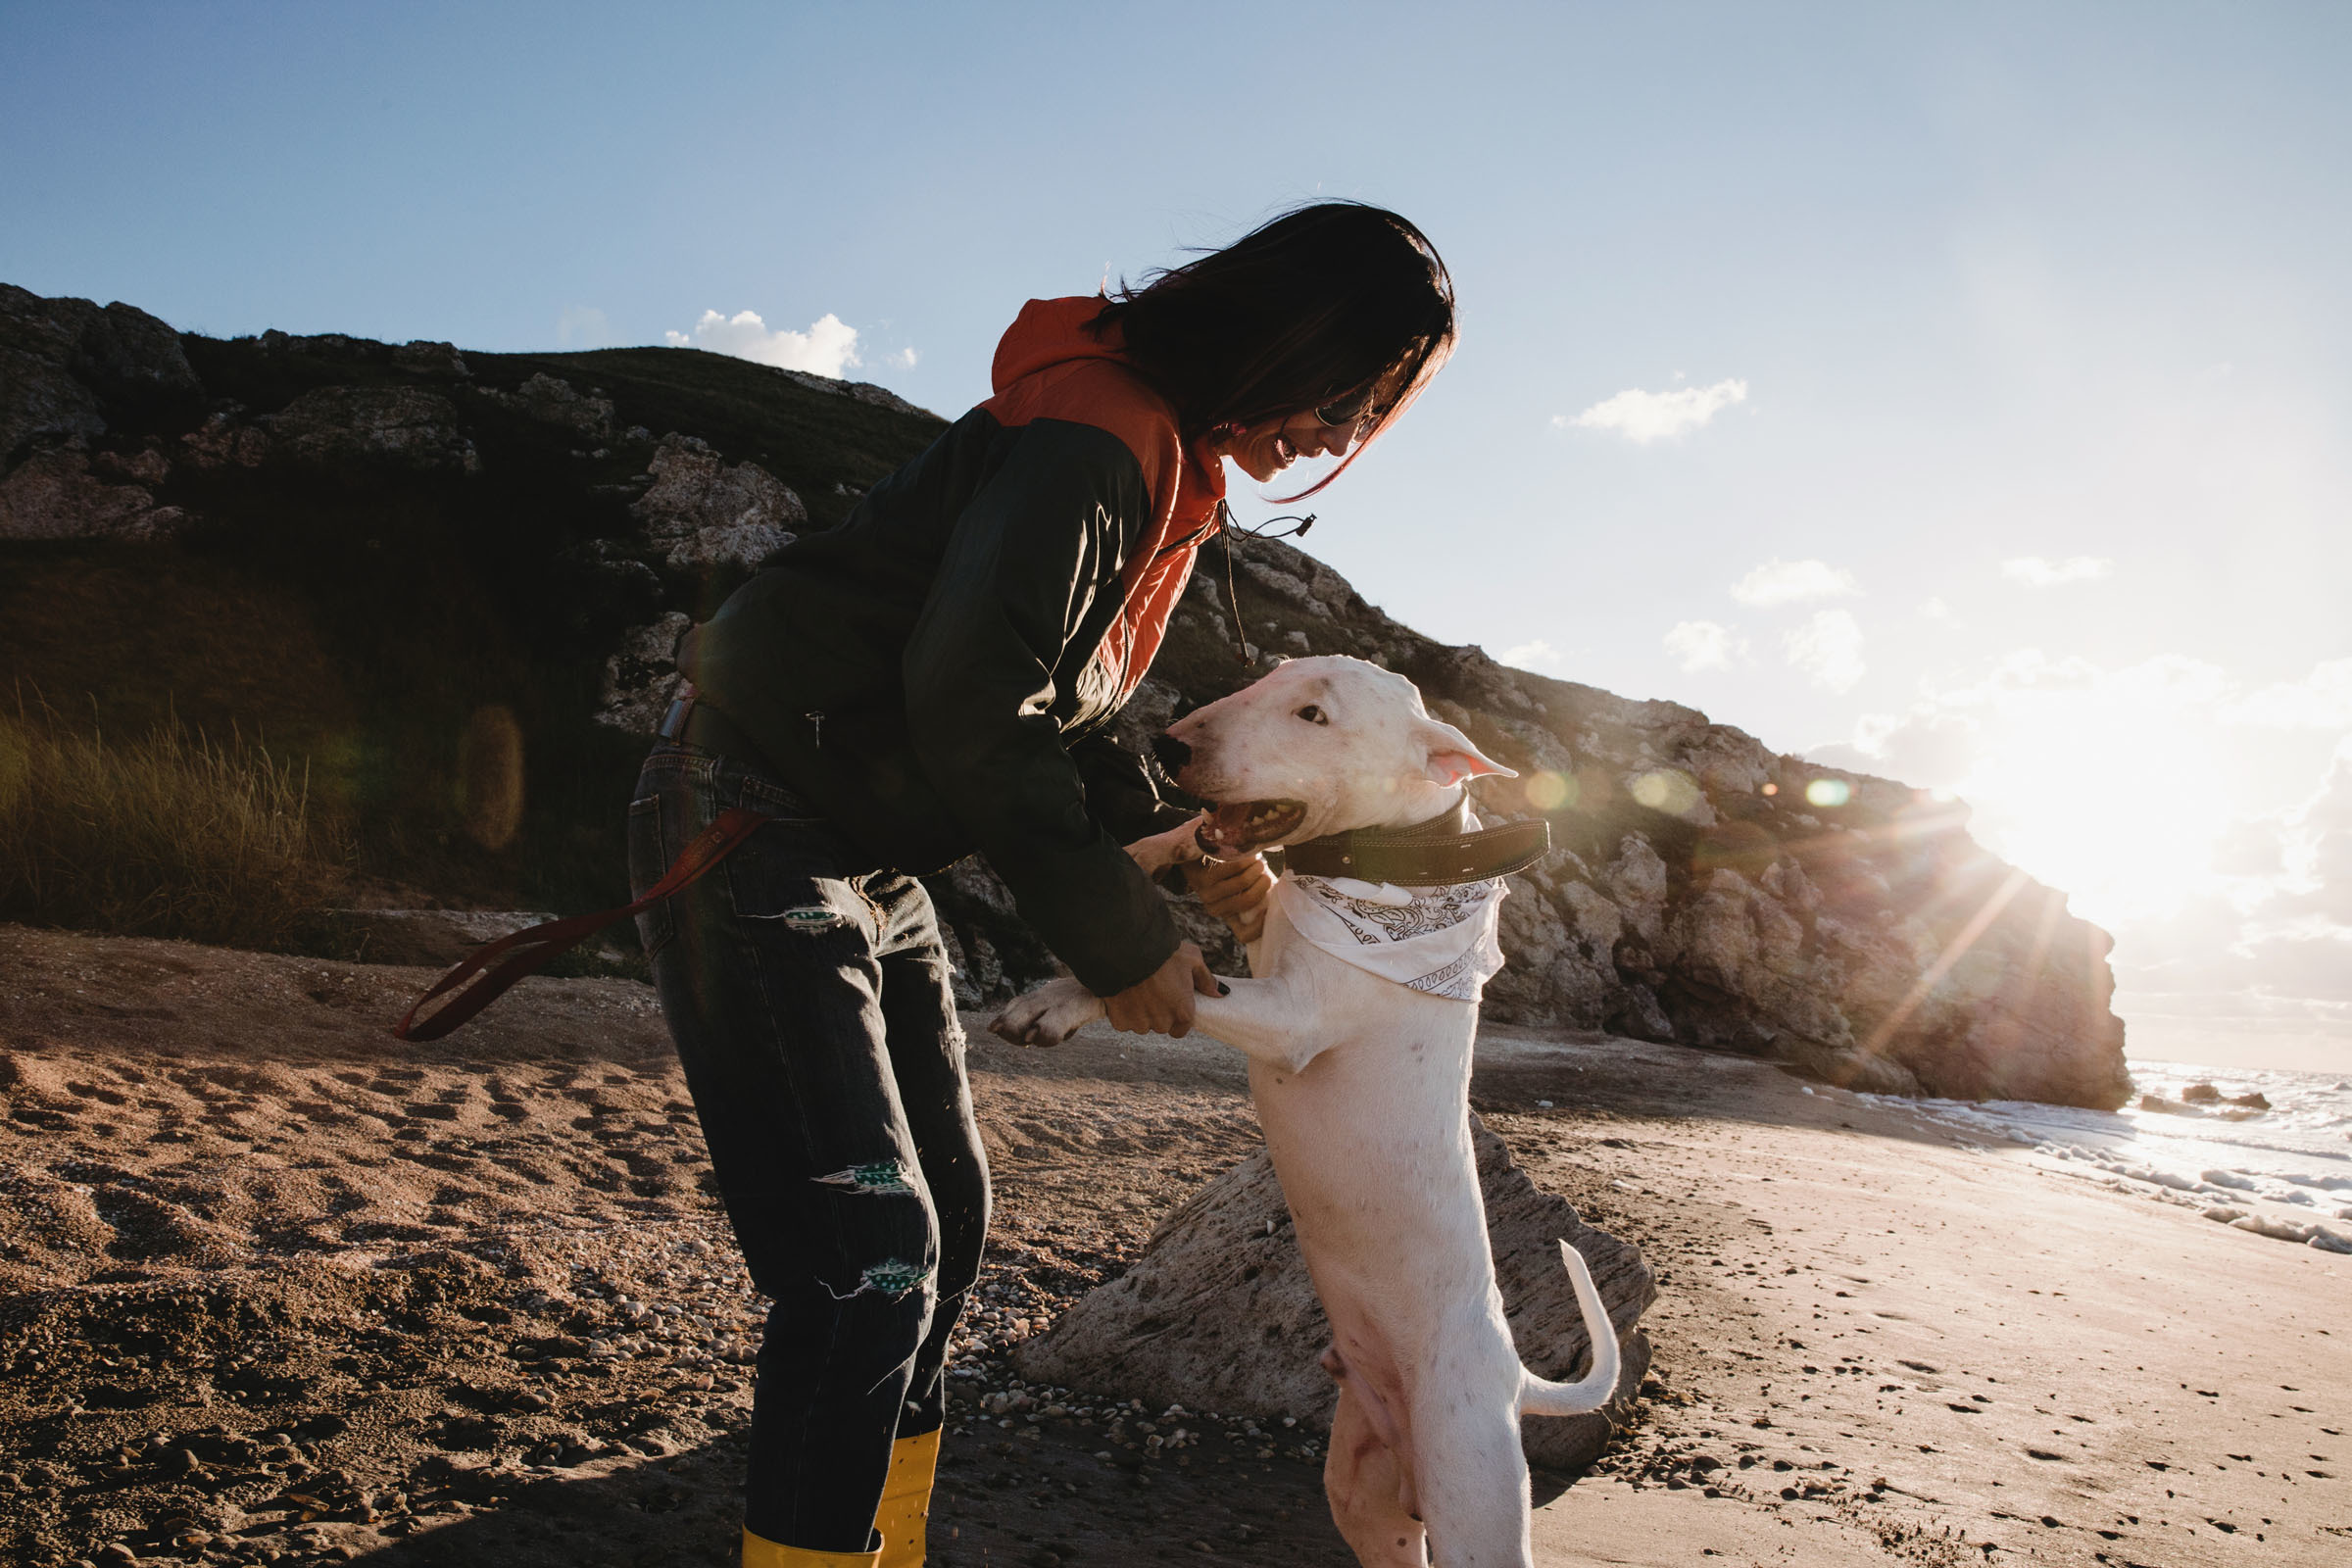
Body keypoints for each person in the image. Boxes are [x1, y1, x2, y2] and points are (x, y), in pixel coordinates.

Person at [625, 201, 1455, 1568]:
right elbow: (971, 695)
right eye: (1344, 397)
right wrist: (1119, 939)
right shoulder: (1099, 433)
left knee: (944, 1242)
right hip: (748, 816)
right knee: (868, 1264)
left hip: (860, 850)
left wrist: (1177, 840)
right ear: (1284, 338)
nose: (1335, 439)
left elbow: (1044, 717)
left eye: (1365, 416)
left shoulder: (1163, 456)